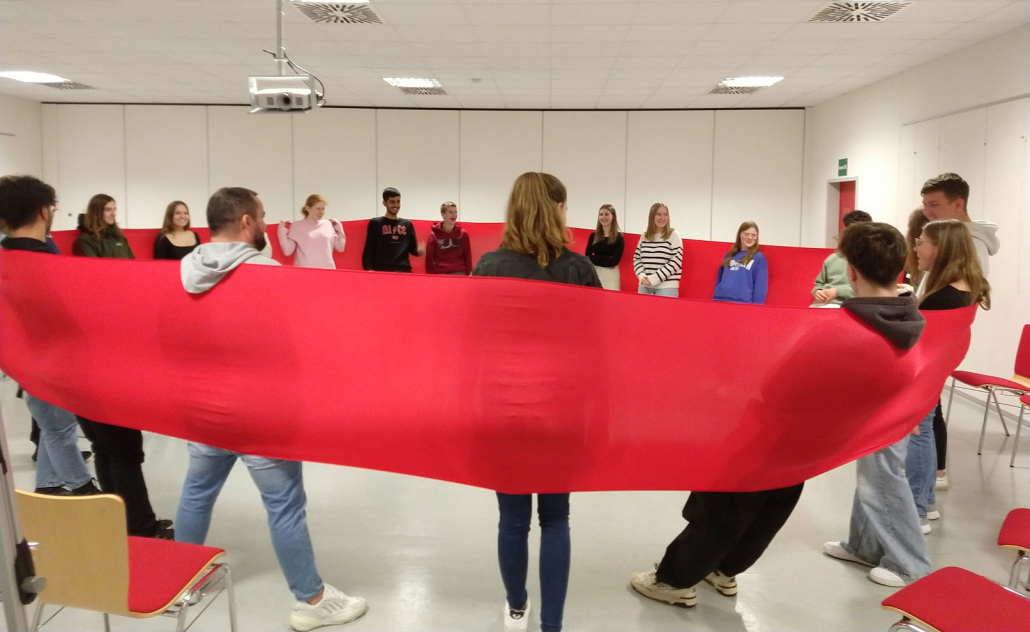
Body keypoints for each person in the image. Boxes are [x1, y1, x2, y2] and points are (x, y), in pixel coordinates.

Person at [177, 187, 367, 632]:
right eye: (261, 216)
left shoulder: (185, 270)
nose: (266, 224)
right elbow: (292, 344)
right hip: (259, 410)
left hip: (204, 406)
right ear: (246, 221)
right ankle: (311, 600)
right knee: (284, 505)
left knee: (196, 492)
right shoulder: (266, 273)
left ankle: (181, 583)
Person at [472, 172, 600, 632]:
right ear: (556, 209)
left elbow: (474, 343)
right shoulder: (578, 270)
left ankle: (516, 606)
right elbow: (596, 346)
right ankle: (551, 626)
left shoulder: (488, 267)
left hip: (503, 410)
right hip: (560, 411)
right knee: (556, 519)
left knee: (512, 521)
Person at [821, 222, 935, 587]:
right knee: (872, 477)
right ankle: (863, 545)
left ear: (852, 273)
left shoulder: (861, 320)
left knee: (884, 481)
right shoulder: (906, 309)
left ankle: (909, 563)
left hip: (882, 414)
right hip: (898, 408)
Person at [71, 193, 170, 537]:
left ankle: (120, 518)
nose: (114, 213)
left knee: (107, 448)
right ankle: (141, 526)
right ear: (97, 212)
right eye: (109, 209)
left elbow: (129, 269)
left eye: (116, 209)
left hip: (113, 336)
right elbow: (100, 277)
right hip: (108, 348)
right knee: (121, 452)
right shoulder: (86, 242)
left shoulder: (118, 238)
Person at [0, 175, 100, 497]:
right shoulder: (41, 262)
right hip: (51, 361)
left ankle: (47, 486)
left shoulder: (8, 258)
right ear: (44, 211)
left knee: (52, 425)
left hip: (28, 362)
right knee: (60, 429)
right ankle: (83, 490)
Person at [907, 219, 991, 532]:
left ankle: (915, 511)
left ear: (941, 248)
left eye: (922, 242)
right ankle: (926, 502)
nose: (916, 248)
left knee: (918, 434)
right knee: (926, 430)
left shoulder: (942, 298)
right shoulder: (965, 287)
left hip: (924, 373)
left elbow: (919, 341)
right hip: (935, 371)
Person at [919, 173, 999, 277]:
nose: (926, 212)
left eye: (934, 205)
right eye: (925, 205)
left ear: (958, 205)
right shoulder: (949, 239)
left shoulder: (970, 246)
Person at [810, 210, 872, 307]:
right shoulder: (833, 258)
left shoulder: (872, 260)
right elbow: (819, 283)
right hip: (823, 304)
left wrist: (837, 292)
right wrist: (817, 291)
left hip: (850, 305)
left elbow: (871, 292)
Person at [362, 187, 424, 272]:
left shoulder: (407, 224)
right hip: (382, 270)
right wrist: (369, 269)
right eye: (392, 202)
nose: (396, 205)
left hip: (403, 270)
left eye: (398, 201)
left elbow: (413, 249)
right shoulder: (376, 223)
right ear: (384, 203)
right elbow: (369, 249)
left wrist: (418, 251)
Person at [277, 194, 346, 269]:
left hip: (328, 270)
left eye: (323, 209)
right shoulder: (297, 225)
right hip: (305, 271)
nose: (321, 212)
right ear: (307, 208)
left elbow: (340, 248)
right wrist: (281, 230)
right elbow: (287, 251)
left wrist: (339, 228)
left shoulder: (328, 224)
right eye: (318, 209)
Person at [633, 203, 682, 297]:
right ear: (652, 216)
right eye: (658, 214)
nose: (662, 218)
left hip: (667, 287)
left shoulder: (674, 235)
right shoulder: (644, 236)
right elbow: (637, 259)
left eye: (665, 214)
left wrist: (654, 279)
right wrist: (641, 276)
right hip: (645, 286)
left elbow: (676, 262)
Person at [713, 221, 768, 305]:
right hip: (720, 300)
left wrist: (757, 308)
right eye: (746, 234)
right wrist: (714, 299)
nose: (750, 237)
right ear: (739, 235)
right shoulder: (728, 256)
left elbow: (760, 287)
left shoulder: (759, 258)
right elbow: (719, 279)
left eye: (754, 235)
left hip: (742, 303)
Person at [72, 193, 135, 258]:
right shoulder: (85, 241)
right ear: (96, 213)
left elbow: (133, 262)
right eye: (108, 210)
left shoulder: (119, 237)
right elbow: (91, 264)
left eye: (114, 209)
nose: (113, 214)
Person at [425, 201, 472, 275]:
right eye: (451, 212)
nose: (454, 215)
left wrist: (470, 275)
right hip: (441, 273)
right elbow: (429, 260)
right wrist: (431, 278)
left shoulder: (463, 234)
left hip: (459, 272)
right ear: (443, 215)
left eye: (455, 212)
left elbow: (468, 257)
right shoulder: (433, 236)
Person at [584, 204, 624, 290]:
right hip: (594, 273)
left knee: (611, 298)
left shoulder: (619, 237)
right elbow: (587, 257)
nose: (603, 217)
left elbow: (615, 261)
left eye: (606, 214)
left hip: (611, 275)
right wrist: (607, 258)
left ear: (613, 216)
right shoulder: (593, 236)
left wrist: (596, 258)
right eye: (601, 214)